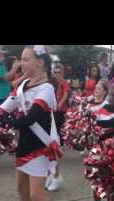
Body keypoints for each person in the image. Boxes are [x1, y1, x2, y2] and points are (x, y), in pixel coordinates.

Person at [0, 45, 60, 201]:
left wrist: (4, 123)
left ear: (40, 62)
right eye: (22, 60)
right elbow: (7, 107)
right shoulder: (23, 84)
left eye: (26, 59)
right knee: (21, 187)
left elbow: (29, 118)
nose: (21, 64)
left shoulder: (47, 89)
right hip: (24, 143)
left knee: (36, 194)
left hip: (40, 145)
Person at [45, 63, 69, 192]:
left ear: (63, 72)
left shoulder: (64, 83)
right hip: (51, 111)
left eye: (59, 72)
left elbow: (65, 95)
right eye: (55, 72)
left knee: (54, 141)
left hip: (59, 112)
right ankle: (51, 174)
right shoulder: (52, 84)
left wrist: (58, 105)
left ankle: (55, 175)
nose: (57, 74)